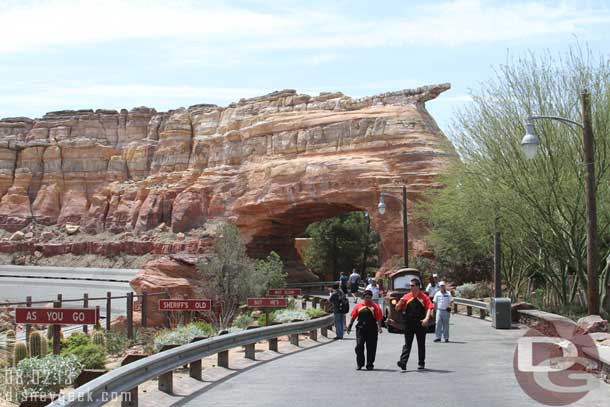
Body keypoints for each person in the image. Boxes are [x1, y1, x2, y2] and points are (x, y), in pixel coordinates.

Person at [395, 278, 434, 371]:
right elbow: (397, 308)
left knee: (421, 344)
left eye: (412, 285)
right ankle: (403, 362)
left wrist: (426, 319)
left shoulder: (424, 297)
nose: (410, 287)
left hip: (420, 323)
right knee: (407, 344)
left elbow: (430, 308)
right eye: (410, 286)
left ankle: (421, 363)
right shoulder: (407, 296)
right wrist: (400, 302)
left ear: (417, 286)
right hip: (409, 323)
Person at [346, 289, 383, 370]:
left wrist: (379, 327)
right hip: (360, 329)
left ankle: (370, 364)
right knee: (359, 346)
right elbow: (353, 316)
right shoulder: (358, 306)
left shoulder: (375, 307)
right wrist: (350, 325)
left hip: (372, 329)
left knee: (371, 347)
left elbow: (379, 318)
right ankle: (360, 364)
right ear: (363, 298)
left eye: (370, 297)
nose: (368, 299)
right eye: (366, 297)